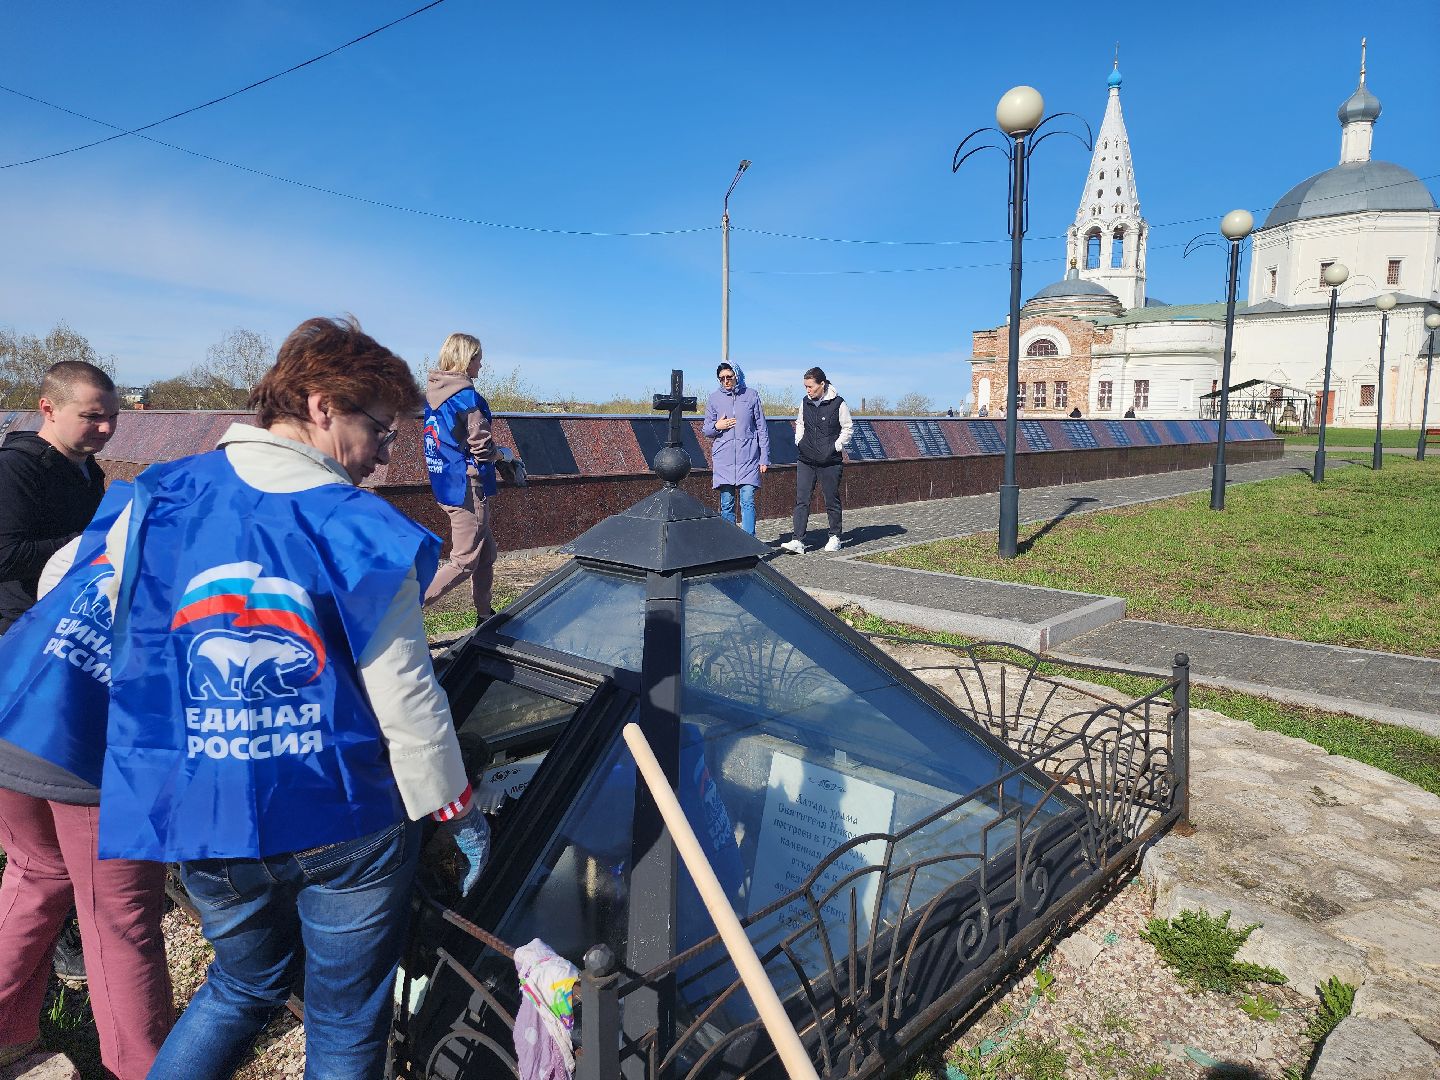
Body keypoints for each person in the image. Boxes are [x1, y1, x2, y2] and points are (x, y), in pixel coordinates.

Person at [69, 317, 489, 1080]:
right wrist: (455, 808)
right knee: (345, 1023)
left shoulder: (158, 494)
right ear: (322, 405)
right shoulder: (360, 526)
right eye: (380, 429)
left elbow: (64, 589)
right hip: (340, 817)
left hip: (203, 811)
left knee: (237, 986)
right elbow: (403, 689)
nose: (386, 454)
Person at [0, 361, 120, 999]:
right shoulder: (16, 470)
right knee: (46, 812)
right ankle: (66, 937)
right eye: (92, 416)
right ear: (48, 408)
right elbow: (3, 554)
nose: (105, 429)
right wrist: (85, 546)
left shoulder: (86, 471)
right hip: (19, 642)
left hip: (64, 639)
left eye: (112, 417)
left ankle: (65, 919)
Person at [421, 332, 513, 624]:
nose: (481, 365)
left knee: (485, 554)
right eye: (478, 359)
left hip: (446, 481)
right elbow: (482, 447)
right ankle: (398, 613)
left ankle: (484, 615)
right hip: (467, 486)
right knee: (464, 561)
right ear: (467, 359)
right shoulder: (466, 397)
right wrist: (504, 456)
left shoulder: (435, 395)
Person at [781, 367, 852, 554]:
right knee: (802, 500)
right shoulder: (805, 402)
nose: (808, 390)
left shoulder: (838, 403)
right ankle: (797, 540)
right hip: (806, 459)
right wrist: (799, 441)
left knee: (831, 499)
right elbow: (800, 423)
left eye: (810, 386)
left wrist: (836, 446)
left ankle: (835, 536)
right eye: (805, 386)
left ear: (822, 384)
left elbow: (847, 428)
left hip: (830, 461)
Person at [701, 362, 769, 535]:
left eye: (729, 377)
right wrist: (718, 425)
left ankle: (749, 542)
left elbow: (761, 428)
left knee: (747, 500)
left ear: (737, 376)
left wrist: (764, 457)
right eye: (721, 378)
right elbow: (706, 430)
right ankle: (730, 541)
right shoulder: (714, 398)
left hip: (749, 458)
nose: (725, 381)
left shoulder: (751, 395)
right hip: (724, 459)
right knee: (727, 503)